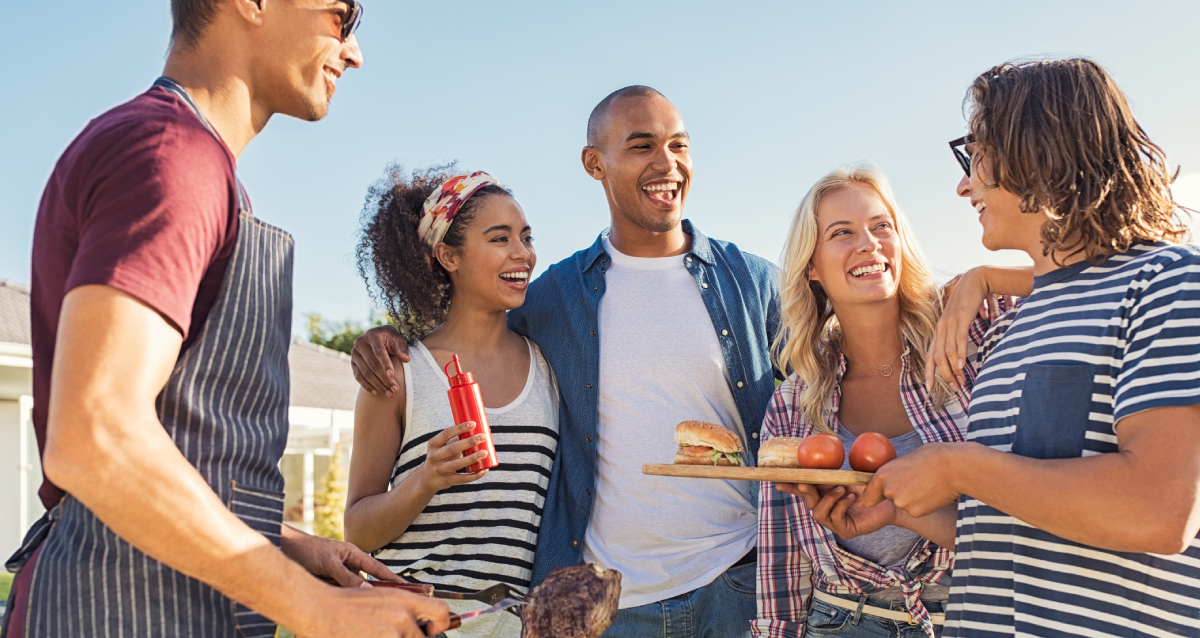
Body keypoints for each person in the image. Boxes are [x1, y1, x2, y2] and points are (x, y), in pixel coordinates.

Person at [1, 1, 451, 637]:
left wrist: (287, 541)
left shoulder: (197, 165)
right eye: (339, 16)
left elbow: (182, 440)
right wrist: (315, 607)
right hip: (119, 610)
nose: (353, 51)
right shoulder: (170, 155)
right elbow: (96, 435)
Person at [351, 86, 781, 637]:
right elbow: (468, 321)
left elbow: (841, 355)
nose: (666, 162)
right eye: (642, 145)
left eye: (679, 144)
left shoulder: (752, 283)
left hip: (736, 581)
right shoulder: (556, 300)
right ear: (594, 164)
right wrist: (390, 335)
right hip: (608, 601)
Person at [860, 58, 1200, 637]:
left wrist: (957, 466)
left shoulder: (1169, 284)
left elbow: (1160, 511)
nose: (964, 183)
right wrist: (902, 510)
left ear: (1037, 151)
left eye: (978, 157)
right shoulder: (1009, 326)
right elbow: (1010, 521)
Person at [752, 165, 1018, 638]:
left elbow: (1093, 279)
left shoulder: (970, 329)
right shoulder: (793, 403)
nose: (868, 243)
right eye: (841, 233)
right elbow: (782, 565)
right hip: (840, 620)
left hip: (971, 615)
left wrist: (985, 277)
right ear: (811, 267)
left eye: (881, 227)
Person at [344, 166, 559, 638]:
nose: (522, 253)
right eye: (499, 239)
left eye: (526, 237)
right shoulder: (398, 371)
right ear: (448, 255)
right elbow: (357, 530)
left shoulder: (549, 369)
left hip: (507, 626)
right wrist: (425, 480)